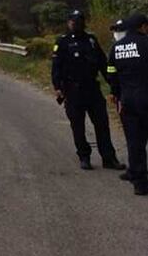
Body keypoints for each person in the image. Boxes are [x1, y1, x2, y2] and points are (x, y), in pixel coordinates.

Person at [51, 10, 126, 171]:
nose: (74, 23)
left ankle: (109, 158)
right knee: (78, 126)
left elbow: (103, 64)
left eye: (77, 20)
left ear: (83, 22)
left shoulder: (91, 40)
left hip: (92, 89)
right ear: (68, 22)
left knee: (102, 124)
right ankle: (84, 156)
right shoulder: (62, 42)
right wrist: (57, 87)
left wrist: (114, 85)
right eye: (72, 20)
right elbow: (56, 67)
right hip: (72, 89)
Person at [107, 13, 148, 196]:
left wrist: (117, 95)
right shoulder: (146, 43)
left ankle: (139, 182)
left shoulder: (116, 48)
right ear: (143, 27)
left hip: (127, 100)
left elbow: (111, 74)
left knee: (134, 141)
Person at [109, 18, 133, 182]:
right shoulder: (115, 49)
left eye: (119, 30)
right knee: (132, 137)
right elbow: (111, 72)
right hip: (124, 98)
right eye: (115, 30)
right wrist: (114, 93)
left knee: (135, 137)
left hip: (132, 97)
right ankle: (135, 169)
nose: (116, 33)